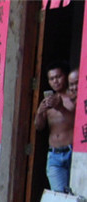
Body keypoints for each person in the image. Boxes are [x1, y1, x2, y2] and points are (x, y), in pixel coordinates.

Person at [36, 61, 75, 193]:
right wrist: (40, 112)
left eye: (58, 77)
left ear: (65, 76)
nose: (55, 81)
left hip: (72, 152)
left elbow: (76, 121)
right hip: (54, 155)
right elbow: (39, 127)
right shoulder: (47, 102)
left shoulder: (73, 97)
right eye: (51, 79)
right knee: (58, 195)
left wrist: (61, 108)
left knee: (75, 195)